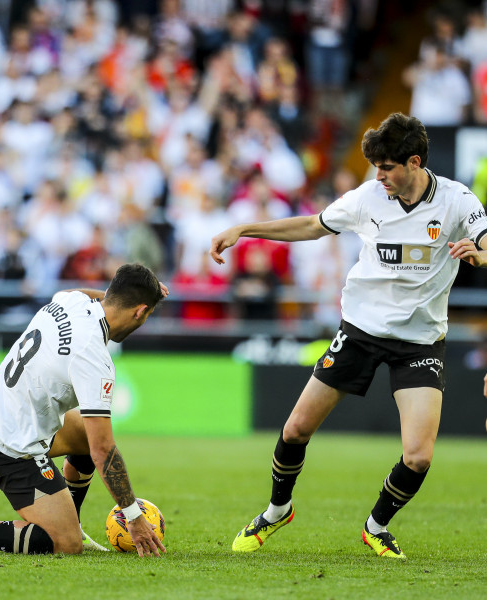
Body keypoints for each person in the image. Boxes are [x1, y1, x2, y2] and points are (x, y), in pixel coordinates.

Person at [209, 113, 487, 559]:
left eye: (387, 167)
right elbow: (311, 225)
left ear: (414, 162)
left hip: (419, 341)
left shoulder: (457, 201)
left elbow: (486, 240)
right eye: (376, 167)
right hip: (358, 331)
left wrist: (481, 254)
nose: (379, 176)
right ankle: (277, 510)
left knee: (418, 456)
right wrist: (245, 229)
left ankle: (377, 526)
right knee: (296, 428)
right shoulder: (367, 198)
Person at [0, 263, 168, 557]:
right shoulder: (94, 359)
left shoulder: (72, 301)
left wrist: (117, 295)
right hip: (10, 444)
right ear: (140, 311)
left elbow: (76, 293)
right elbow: (103, 450)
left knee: (81, 434)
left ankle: (71, 519)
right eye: (148, 314)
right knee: (65, 544)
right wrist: (134, 516)